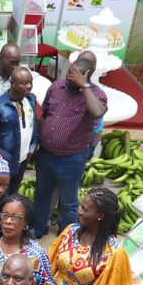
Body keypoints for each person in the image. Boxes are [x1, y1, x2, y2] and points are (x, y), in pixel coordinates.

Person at [33, 60, 107, 237]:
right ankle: (38, 229)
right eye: (69, 72)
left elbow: (97, 113)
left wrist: (85, 87)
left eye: (75, 74)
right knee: (42, 194)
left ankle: (67, 235)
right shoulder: (57, 86)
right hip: (45, 155)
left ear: (87, 74)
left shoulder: (97, 94)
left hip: (71, 159)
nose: (69, 76)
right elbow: (44, 114)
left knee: (68, 201)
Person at [0, 193, 57, 285]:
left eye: (16, 217)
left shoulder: (35, 255)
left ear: (26, 222)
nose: (8, 221)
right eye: (5, 215)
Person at [0, 66, 39, 193]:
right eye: (24, 83)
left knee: (13, 193)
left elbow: (34, 125)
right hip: (3, 164)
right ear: (12, 84)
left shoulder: (30, 99)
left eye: (30, 82)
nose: (29, 86)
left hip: (22, 159)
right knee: (1, 196)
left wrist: (33, 146)